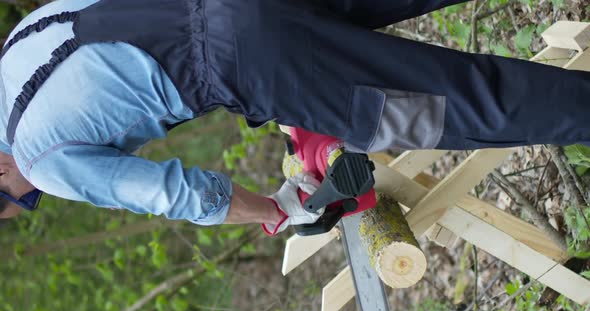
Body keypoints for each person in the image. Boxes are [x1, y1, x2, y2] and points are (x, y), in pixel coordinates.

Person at [1, 0, 589, 235]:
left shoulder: (38, 159)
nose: (33, 194)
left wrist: (281, 210)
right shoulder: (20, 40)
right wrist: (286, 105)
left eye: (17, 199)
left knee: (457, 107)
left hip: (248, 59)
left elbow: (175, 194)